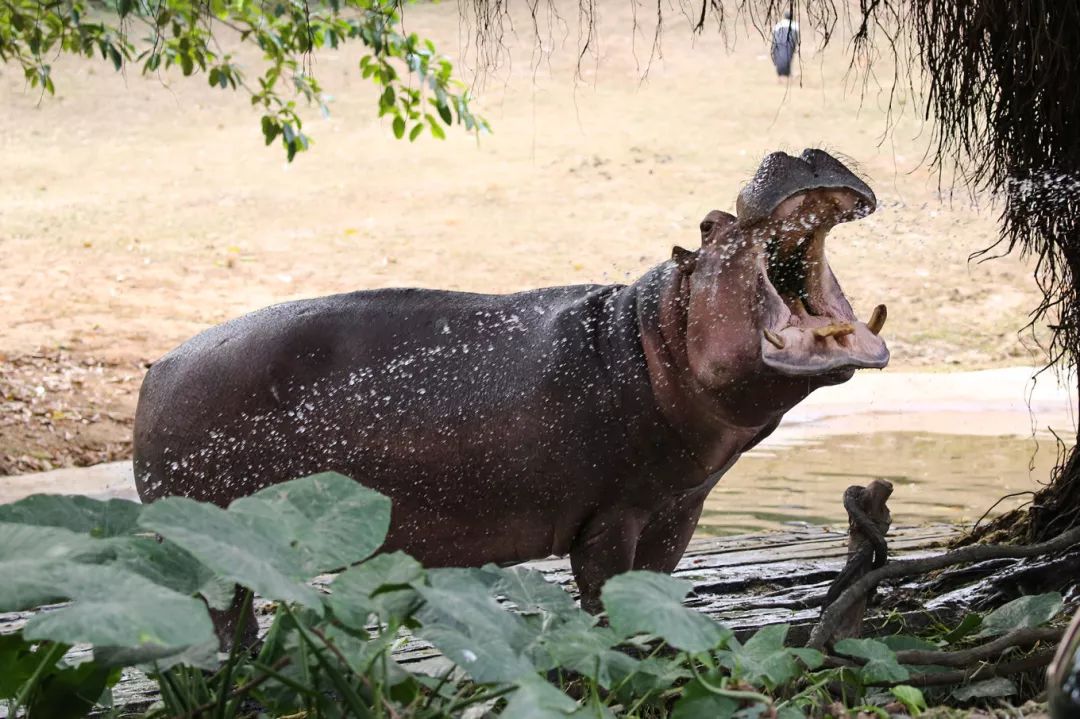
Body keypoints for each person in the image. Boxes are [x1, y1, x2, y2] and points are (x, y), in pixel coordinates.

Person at [771, 10, 800, 81]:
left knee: (779, 58)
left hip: (778, 44)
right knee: (788, 58)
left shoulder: (778, 25)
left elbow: (775, 36)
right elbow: (796, 37)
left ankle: (781, 76)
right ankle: (788, 75)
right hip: (789, 44)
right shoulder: (795, 25)